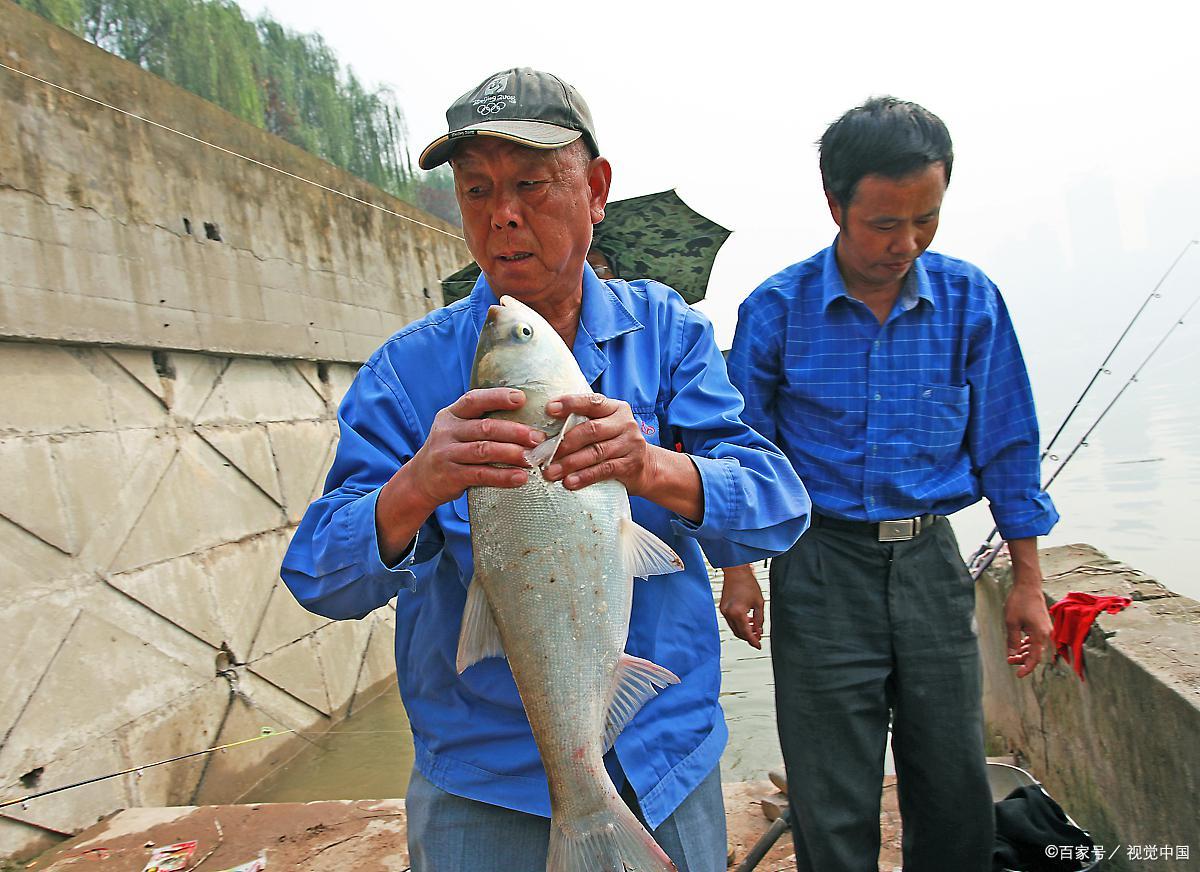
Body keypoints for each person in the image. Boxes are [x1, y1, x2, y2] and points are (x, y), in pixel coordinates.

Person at [281, 67, 810, 872]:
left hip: (668, 763)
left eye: (531, 184)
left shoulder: (668, 335)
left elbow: (778, 506)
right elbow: (319, 574)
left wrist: (651, 466)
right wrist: (415, 487)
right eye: (476, 190)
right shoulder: (407, 372)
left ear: (596, 190)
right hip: (482, 788)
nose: (504, 217)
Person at [722, 96, 1059, 872]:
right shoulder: (775, 312)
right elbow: (743, 458)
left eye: (926, 220)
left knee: (952, 779)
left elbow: (1010, 443)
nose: (906, 243)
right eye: (883, 223)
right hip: (818, 566)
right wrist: (739, 569)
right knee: (830, 789)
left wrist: (1029, 580)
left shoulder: (971, 302)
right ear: (834, 203)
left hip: (933, 567)